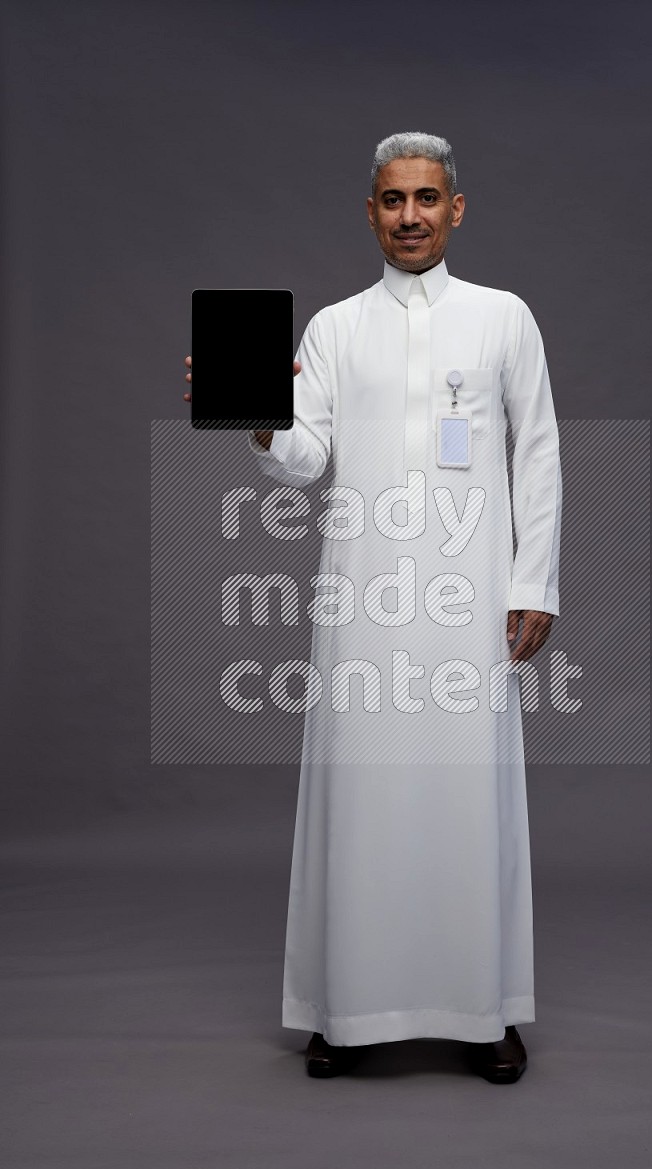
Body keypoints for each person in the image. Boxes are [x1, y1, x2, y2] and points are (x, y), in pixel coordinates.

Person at [183, 131, 561, 1084]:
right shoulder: (334, 329)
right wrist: (260, 417)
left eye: (426, 199)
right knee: (360, 795)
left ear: (456, 209)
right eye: (393, 201)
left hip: (471, 598)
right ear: (370, 213)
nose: (410, 217)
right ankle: (343, 1009)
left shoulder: (503, 318)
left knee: (473, 796)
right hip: (363, 599)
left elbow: (539, 453)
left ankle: (488, 1011)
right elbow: (307, 461)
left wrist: (534, 583)